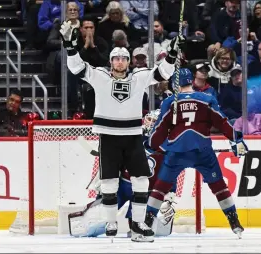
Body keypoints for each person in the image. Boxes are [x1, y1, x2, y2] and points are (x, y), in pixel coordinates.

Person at [59, 20, 185, 242]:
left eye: (124, 58)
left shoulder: (138, 77)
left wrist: (172, 55)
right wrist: (70, 47)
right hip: (108, 136)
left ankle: (137, 224)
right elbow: (77, 68)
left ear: (128, 61)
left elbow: (163, 73)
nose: (120, 62)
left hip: (133, 136)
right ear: (111, 61)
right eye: (116, 58)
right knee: (109, 183)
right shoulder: (100, 76)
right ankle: (110, 222)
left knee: (141, 181)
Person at [144, 68, 248, 238]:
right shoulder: (207, 99)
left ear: (175, 84)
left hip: (176, 152)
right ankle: (234, 221)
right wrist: (236, 138)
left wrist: (149, 145)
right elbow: (222, 122)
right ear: (191, 81)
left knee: (160, 188)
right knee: (219, 186)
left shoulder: (170, 102)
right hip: (202, 151)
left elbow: (160, 129)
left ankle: (147, 222)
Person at [69, 110, 177, 238]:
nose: (151, 125)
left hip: (147, 193)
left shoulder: (170, 146)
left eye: (155, 122)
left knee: (152, 229)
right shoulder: (134, 138)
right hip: (122, 187)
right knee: (92, 222)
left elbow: (171, 172)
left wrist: (170, 194)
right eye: (150, 120)